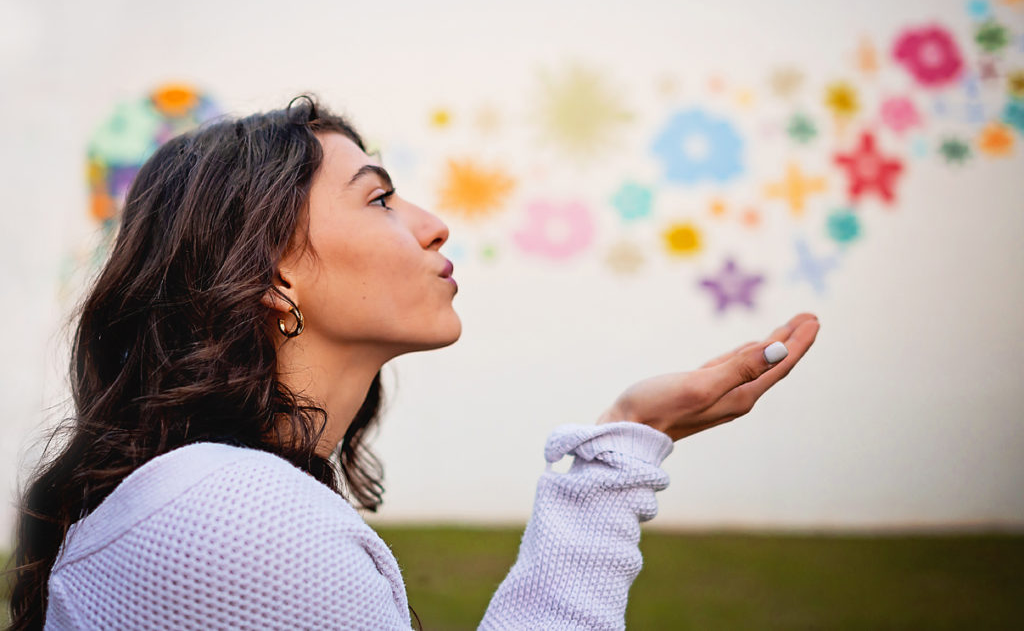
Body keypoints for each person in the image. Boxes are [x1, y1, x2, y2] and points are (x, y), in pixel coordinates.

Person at [7, 96, 820, 630]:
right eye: (379, 198)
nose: (433, 224)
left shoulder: (207, 494)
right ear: (273, 273)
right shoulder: (237, 520)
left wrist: (629, 434)